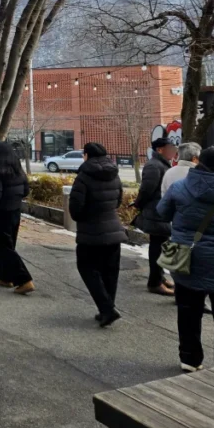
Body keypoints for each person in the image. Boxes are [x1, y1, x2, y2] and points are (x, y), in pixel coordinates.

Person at [157, 147, 214, 372]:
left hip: (187, 259)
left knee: (188, 311)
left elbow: (162, 212)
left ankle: (190, 359)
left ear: (199, 163)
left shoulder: (179, 188)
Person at [68, 142, 126, 327]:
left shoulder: (83, 176)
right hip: (114, 230)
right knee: (110, 271)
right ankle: (107, 309)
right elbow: (118, 201)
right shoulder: (114, 174)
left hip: (91, 232)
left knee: (87, 268)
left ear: (86, 155)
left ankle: (107, 309)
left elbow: (75, 209)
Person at [0, 141, 35, 294]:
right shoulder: (18, 170)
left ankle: (24, 280)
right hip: (15, 211)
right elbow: (25, 190)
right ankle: (5, 277)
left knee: (5, 247)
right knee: (8, 245)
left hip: (2, 212)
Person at [134, 137, 177, 296]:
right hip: (156, 212)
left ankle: (160, 277)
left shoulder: (162, 164)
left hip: (161, 212)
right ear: (159, 149)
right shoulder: (154, 165)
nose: (173, 151)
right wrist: (139, 204)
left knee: (160, 247)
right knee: (157, 248)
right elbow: (146, 189)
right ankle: (155, 282)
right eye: (170, 148)